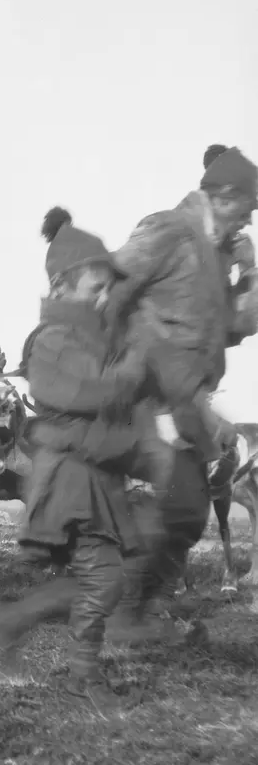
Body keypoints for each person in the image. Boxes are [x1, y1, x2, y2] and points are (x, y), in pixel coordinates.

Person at [0, 207, 150, 712]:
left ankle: (13, 625)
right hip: (72, 482)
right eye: (93, 288)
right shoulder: (51, 340)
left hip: (93, 478)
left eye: (106, 290)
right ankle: (83, 676)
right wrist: (129, 379)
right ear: (60, 287)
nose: (103, 299)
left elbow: (113, 416)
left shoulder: (94, 341)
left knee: (100, 575)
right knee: (105, 577)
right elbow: (85, 394)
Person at [104, 144, 258, 644]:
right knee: (176, 503)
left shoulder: (215, 256)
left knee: (189, 510)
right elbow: (109, 289)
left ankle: (141, 610)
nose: (250, 221)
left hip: (185, 403)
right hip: (144, 394)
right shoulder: (169, 230)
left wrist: (250, 276)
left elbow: (233, 327)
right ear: (227, 197)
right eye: (249, 209)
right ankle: (126, 613)